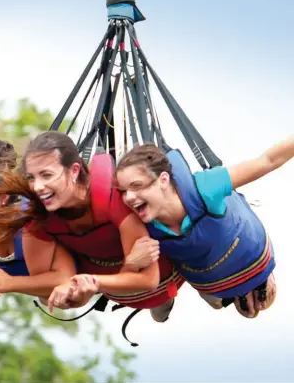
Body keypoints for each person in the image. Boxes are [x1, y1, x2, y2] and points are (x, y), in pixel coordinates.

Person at [0, 131, 185, 322]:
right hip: (114, 290)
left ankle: (194, 287)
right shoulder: (41, 219)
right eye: (31, 177)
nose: (38, 187)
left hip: (163, 281)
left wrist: (90, 281)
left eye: (47, 175)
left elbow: (148, 279)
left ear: (74, 170)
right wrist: (79, 289)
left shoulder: (113, 199)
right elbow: (59, 292)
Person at [114, 136, 294, 318]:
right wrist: (131, 265)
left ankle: (260, 279)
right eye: (123, 191)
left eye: (137, 186)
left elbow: (268, 161)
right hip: (203, 275)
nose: (128, 197)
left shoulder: (207, 188)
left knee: (255, 305)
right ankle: (167, 295)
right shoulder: (133, 219)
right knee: (209, 304)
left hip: (245, 250)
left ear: (163, 180)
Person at [0, 139, 91, 306]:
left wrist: (8, 283)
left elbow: (63, 278)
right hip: (51, 296)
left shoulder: (31, 223)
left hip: (88, 276)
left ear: (3, 197)